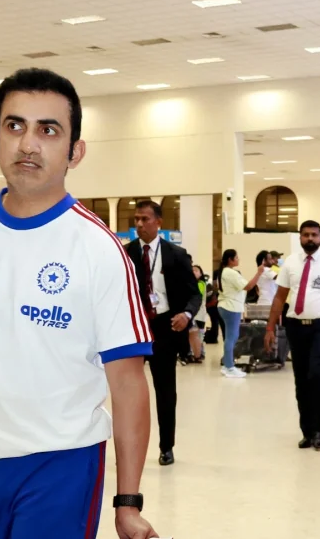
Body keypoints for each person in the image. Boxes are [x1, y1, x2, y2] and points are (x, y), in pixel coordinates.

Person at [0, 68, 159, 539]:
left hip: (61, 462)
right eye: (15, 126)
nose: (28, 144)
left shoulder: (99, 248)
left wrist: (128, 502)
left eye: (48, 130)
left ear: (75, 152)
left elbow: (127, 384)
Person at [125, 200, 201, 467]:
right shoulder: (125, 253)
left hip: (165, 328)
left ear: (158, 222)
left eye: (145, 219)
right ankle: (129, 447)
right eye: (136, 219)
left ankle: (166, 446)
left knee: (165, 390)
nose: (139, 224)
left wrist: (187, 314)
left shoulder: (176, 255)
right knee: (128, 391)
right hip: (134, 329)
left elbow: (194, 294)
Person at [264, 221, 320, 450]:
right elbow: (279, 297)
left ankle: (319, 429)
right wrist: (270, 328)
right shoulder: (290, 262)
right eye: (305, 235)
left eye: (314, 235)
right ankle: (307, 431)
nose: (310, 238)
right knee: (301, 378)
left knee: (317, 374)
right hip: (295, 327)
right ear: (300, 237)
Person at [217, 249, 265, 378]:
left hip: (228, 306)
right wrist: (259, 273)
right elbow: (248, 286)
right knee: (231, 337)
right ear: (230, 259)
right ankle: (229, 367)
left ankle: (227, 364)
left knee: (232, 336)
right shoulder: (230, 273)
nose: (239, 259)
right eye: (237, 257)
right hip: (230, 307)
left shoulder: (226, 272)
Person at [189, 264, 208, 363]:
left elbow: (196, 296)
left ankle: (199, 354)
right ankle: (197, 353)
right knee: (195, 335)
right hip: (196, 314)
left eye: (196, 270)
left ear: (201, 274)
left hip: (199, 314)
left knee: (199, 335)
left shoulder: (200, 283)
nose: (193, 272)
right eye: (192, 270)